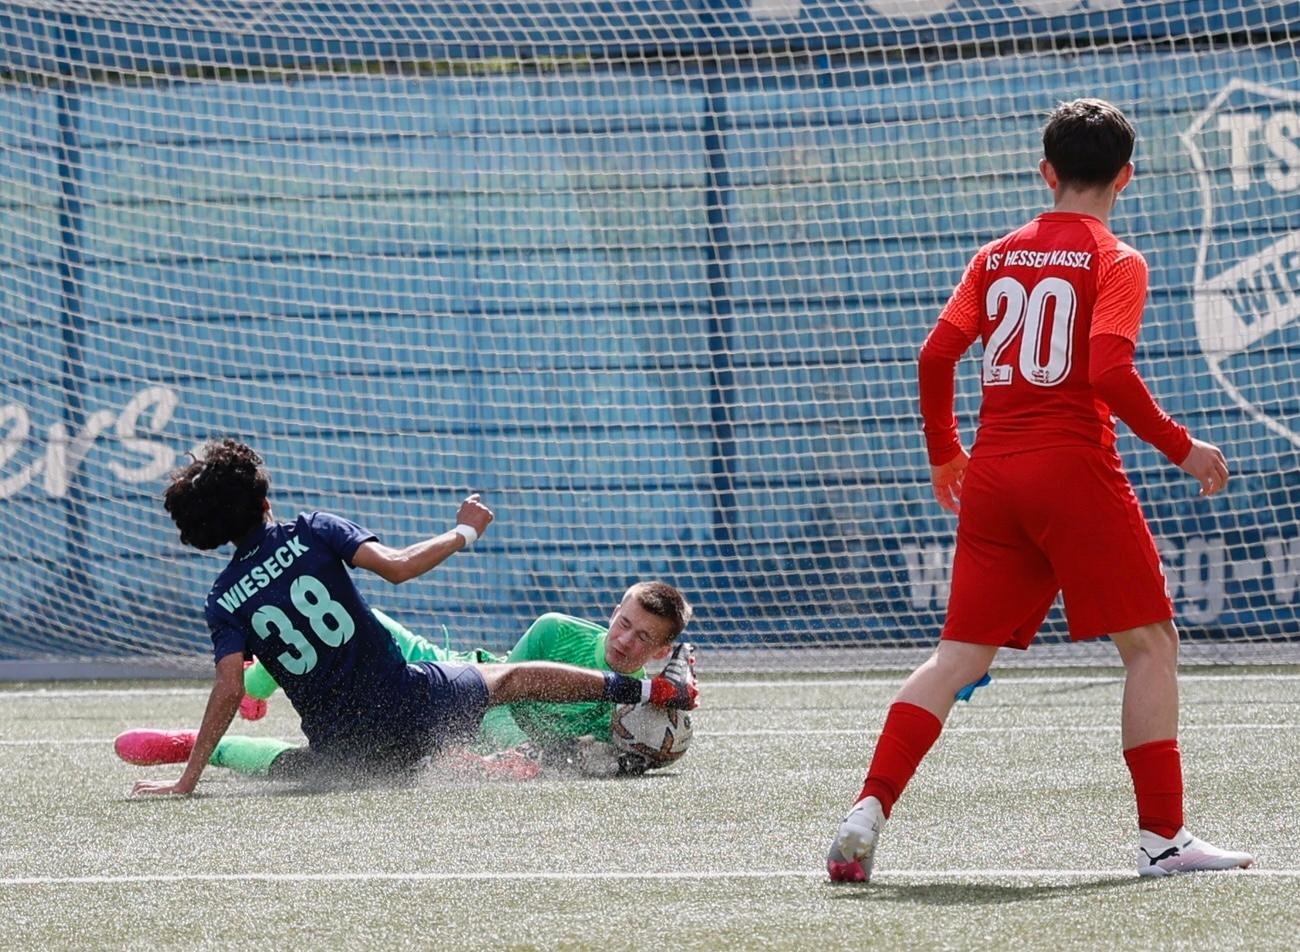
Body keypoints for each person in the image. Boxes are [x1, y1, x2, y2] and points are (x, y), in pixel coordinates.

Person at [825, 99, 1254, 882]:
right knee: (1151, 645)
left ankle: (867, 810)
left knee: (957, 658)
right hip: (1073, 472)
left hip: (993, 476)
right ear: (1127, 177)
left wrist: (945, 455)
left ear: (1046, 173)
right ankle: (1162, 839)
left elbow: (934, 356)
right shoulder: (1117, 259)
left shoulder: (994, 257)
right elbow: (1108, 372)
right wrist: (1183, 447)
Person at [129, 438, 696, 796]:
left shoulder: (223, 598)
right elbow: (398, 568)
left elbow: (228, 688)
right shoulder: (313, 529)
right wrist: (464, 531)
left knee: (301, 767)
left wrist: (187, 783)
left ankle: (196, 752)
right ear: (263, 501)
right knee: (511, 678)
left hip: (344, 747)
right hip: (411, 705)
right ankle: (648, 690)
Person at [118, 583, 695, 779]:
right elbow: (500, 692)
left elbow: (623, 749)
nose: (624, 640)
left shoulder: (631, 714)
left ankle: (194, 745)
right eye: (623, 622)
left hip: (442, 743)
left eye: (643, 637)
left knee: (334, 772)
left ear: (661, 651)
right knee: (355, 626)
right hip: (441, 678)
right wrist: (511, 752)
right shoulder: (555, 631)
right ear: (613, 612)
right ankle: (257, 689)